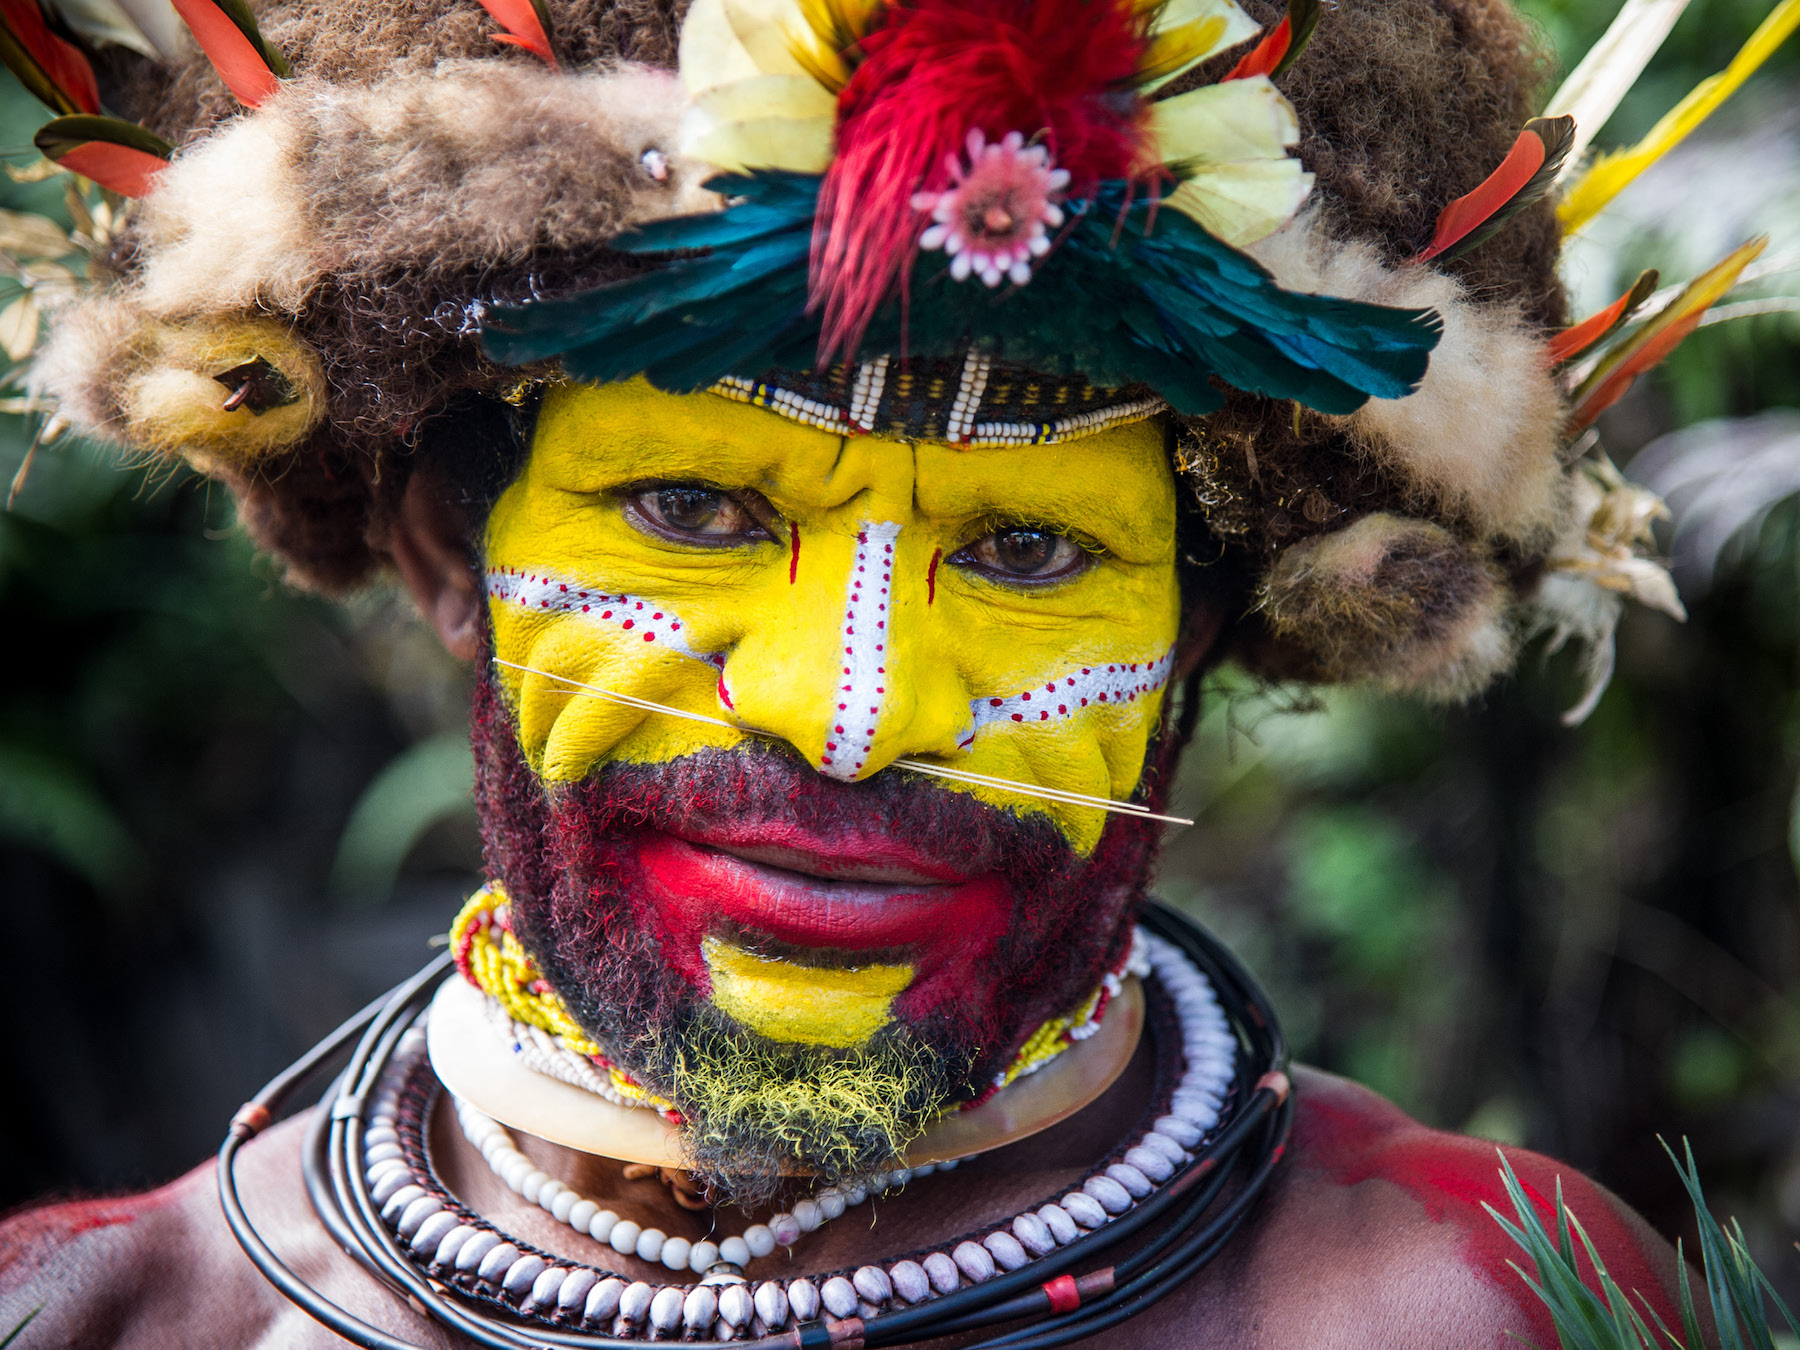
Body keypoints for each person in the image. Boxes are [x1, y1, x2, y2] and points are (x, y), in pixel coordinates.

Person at [0, 0, 1776, 1341]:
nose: (846, 712)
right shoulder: (107, 1318)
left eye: (1027, 554)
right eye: (691, 509)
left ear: (1203, 627)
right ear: (440, 551)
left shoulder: (1470, 1309)